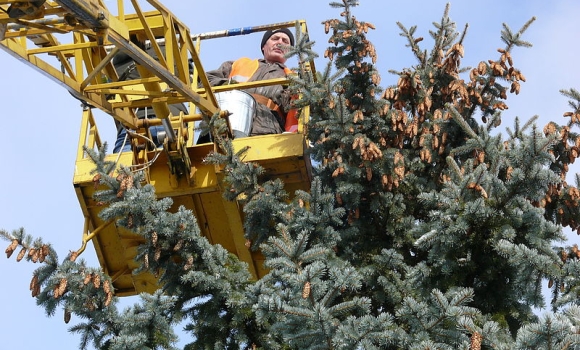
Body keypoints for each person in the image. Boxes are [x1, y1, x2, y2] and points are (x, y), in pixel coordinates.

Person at [198, 27, 298, 143]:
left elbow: (297, 114)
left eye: (285, 41)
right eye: (275, 39)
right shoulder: (239, 64)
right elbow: (205, 80)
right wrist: (227, 85)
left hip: (266, 133)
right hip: (226, 124)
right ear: (263, 47)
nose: (280, 43)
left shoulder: (292, 78)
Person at [112, 39, 188, 153]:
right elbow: (187, 80)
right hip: (171, 119)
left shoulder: (116, 62)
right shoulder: (169, 52)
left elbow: (108, 92)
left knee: (123, 167)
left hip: (131, 123)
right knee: (170, 166)